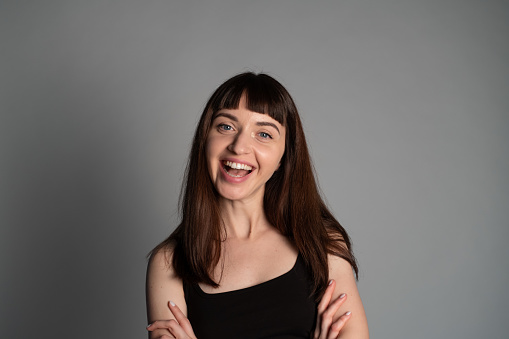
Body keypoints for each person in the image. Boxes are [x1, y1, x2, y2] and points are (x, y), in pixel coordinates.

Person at [146, 72, 369, 339]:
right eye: (226, 126)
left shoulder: (322, 244)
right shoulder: (169, 263)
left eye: (263, 134)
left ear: (283, 157)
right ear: (205, 140)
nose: (239, 146)